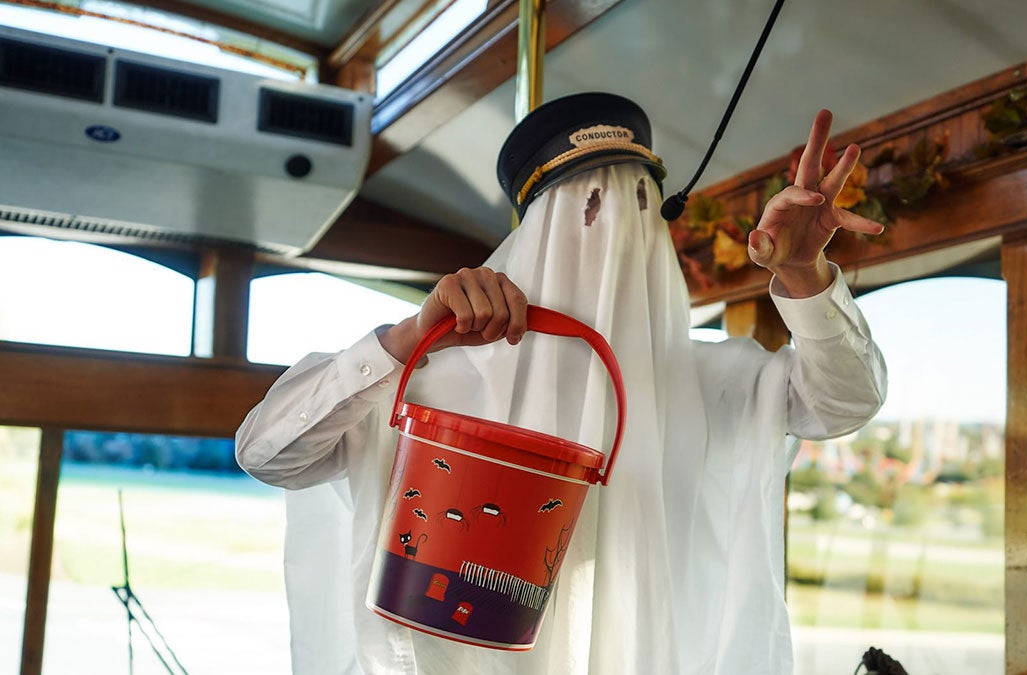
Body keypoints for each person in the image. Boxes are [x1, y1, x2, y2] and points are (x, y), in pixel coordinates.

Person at [236, 92, 887, 675]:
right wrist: (403, 342)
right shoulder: (429, 371)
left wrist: (805, 273)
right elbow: (267, 451)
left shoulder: (710, 378)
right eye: (590, 206)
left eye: (639, 204)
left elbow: (846, 399)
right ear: (535, 229)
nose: (614, 234)